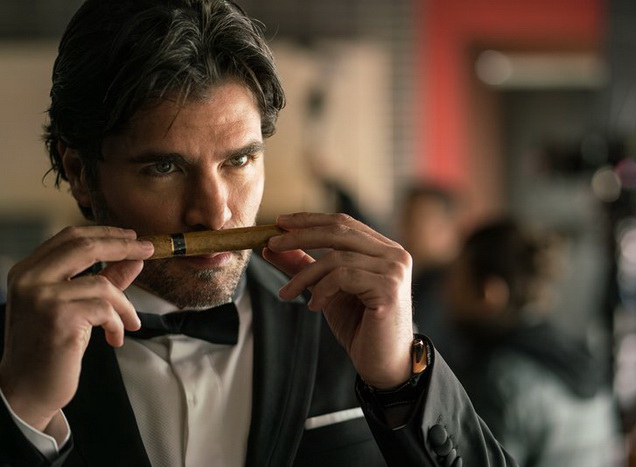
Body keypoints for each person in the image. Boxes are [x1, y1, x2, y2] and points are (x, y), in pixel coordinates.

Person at [0, 1, 516, 466]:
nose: (215, 213)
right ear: (80, 172)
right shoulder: (14, 351)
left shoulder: (347, 326)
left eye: (240, 160)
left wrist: (402, 381)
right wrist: (21, 414)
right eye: (164, 168)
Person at [445, 218, 620, 467]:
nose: (446, 292)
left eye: (456, 278)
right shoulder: (583, 358)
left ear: (490, 294)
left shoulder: (499, 379)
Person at [398, 184, 461, 356]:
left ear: (446, 228)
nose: (406, 229)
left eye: (417, 220)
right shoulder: (422, 277)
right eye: (406, 218)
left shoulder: (445, 291)